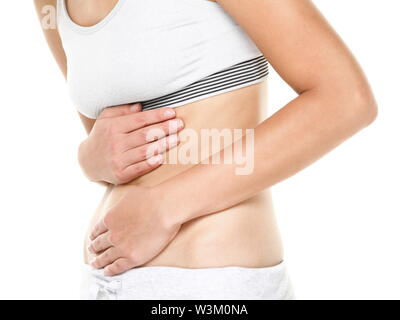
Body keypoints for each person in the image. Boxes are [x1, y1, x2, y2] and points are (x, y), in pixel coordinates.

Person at [34, 0, 377, 300]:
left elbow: (345, 100)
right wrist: (88, 159)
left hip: (209, 282)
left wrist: (166, 207)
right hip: (103, 280)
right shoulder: (48, 4)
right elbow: (116, 140)